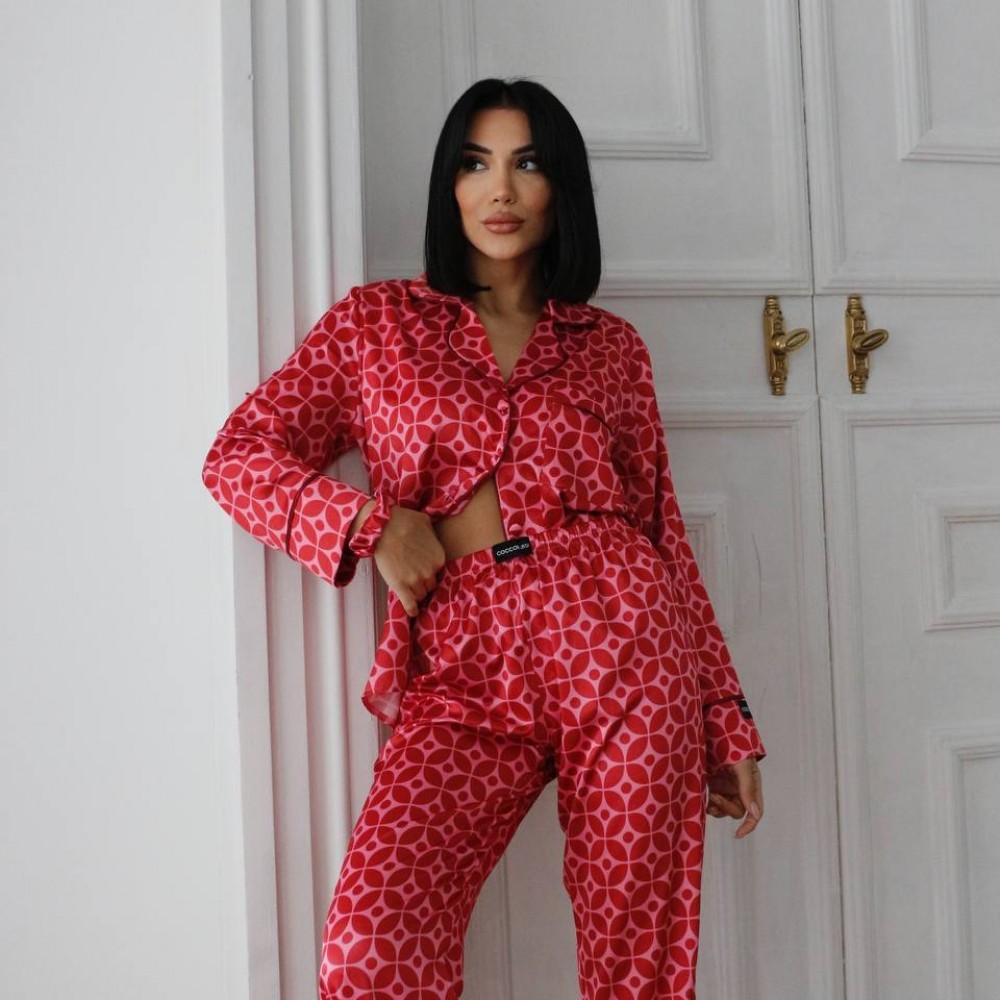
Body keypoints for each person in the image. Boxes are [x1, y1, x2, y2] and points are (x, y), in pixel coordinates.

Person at [203, 77, 766, 1000]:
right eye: (475, 164)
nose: (499, 190)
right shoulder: (377, 325)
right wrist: (371, 524)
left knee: (639, 967)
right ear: (449, 184)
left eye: (527, 163)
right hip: (464, 662)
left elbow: (661, 529)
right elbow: (237, 457)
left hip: (623, 640)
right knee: (373, 945)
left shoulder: (610, 347)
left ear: (560, 186)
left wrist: (723, 718)